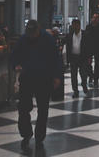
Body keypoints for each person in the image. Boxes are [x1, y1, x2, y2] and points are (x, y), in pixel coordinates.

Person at [11, 20, 62, 150]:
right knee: (23, 108)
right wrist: (16, 64)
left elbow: (56, 58)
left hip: (44, 78)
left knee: (43, 109)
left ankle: (39, 137)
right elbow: (14, 54)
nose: (31, 35)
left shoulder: (47, 39)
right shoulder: (24, 39)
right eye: (29, 33)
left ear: (39, 30)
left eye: (33, 33)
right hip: (27, 78)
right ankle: (26, 134)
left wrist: (56, 76)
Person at [65, 19, 89, 98]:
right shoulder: (70, 35)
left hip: (82, 57)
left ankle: (84, 85)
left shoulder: (85, 34)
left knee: (83, 74)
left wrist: (89, 57)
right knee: (73, 76)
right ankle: (75, 91)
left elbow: (89, 46)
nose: (74, 27)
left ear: (79, 25)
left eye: (75, 25)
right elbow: (67, 45)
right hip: (73, 58)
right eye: (73, 25)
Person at [85, 12, 99, 87]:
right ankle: (91, 75)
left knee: (98, 63)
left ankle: (96, 78)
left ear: (98, 19)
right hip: (90, 47)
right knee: (88, 63)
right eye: (93, 17)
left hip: (98, 47)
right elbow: (85, 36)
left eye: (96, 18)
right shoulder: (89, 26)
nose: (94, 19)